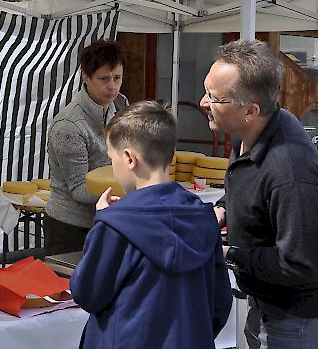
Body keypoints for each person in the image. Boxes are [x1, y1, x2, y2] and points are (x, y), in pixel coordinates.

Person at [201, 40, 318, 348]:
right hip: (269, 305)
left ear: (250, 110)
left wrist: (228, 253)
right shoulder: (250, 133)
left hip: (303, 321)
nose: (203, 103)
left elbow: (300, 264)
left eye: (214, 98)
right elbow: (246, 188)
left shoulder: (291, 171)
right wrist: (222, 210)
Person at [70, 101, 232, 349]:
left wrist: (102, 222)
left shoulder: (114, 225)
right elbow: (219, 302)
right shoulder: (203, 216)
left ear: (129, 158)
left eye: (112, 159)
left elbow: (88, 293)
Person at [45, 40, 128, 255]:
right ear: (86, 76)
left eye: (117, 78)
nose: (112, 86)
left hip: (109, 220)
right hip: (71, 228)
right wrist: (131, 189)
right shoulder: (68, 126)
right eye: (103, 79)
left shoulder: (121, 105)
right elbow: (80, 189)